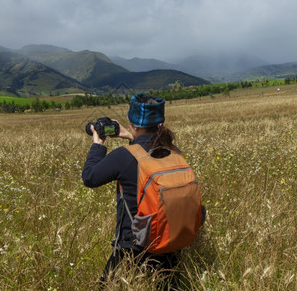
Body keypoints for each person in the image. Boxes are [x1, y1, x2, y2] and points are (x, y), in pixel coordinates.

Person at [82, 93, 205, 284]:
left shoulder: (123, 156)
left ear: (133, 123)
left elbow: (90, 177)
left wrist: (98, 145)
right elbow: (146, 152)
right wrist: (131, 136)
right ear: (160, 124)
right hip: (170, 243)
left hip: (133, 249)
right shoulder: (173, 151)